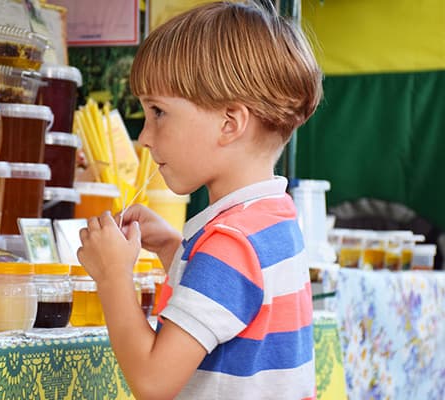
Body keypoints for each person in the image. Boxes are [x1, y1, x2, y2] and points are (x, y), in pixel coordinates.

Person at [77, 1, 323, 398]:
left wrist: (112, 277)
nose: (144, 137)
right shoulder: (271, 217)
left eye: (158, 112)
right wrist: (175, 250)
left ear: (229, 123)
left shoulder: (229, 244)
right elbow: (236, 303)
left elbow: (153, 381)